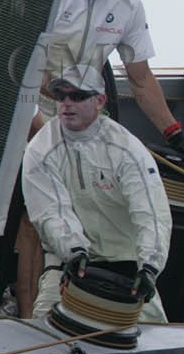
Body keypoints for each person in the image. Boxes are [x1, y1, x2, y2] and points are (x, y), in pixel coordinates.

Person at [14, 0, 184, 313]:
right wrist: (34, 124)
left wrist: (175, 133)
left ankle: (89, 285)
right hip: (31, 102)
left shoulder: (128, 3)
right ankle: (25, 310)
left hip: (85, 107)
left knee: (87, 201)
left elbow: (141, 77)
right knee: (35, 217)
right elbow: (19, 61)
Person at [21, 67, 172, 326]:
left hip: (128, 264)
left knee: (156, 340)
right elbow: (52, 213)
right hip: (67, 263)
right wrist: (75, 252)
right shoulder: (40, 150)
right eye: (61, 96)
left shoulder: (128, 149)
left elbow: (152, 214)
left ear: (100, 101)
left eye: (78, 96)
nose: (67, 104)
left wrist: (149, 267)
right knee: (43, 330)